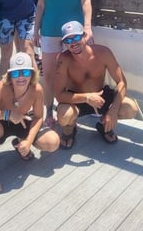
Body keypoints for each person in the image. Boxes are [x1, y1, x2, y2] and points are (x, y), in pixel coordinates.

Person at [0, 52, 60, 194]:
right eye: (16, 74)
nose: (21, 77)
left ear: (32, 74)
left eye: (26, 72)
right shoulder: (2, 86)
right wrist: (7, 114)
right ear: (9, 75)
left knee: (52, 142)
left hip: (24, 119)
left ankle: (20, 142)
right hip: (2, 122)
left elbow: (39, 117)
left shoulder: (37, 89)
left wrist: (28, 141)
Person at [33, 0, 93, 128]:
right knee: (49, 75)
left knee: (75, 72)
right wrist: (36, 30)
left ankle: (76, 110)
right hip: (49, 31)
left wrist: (88, 27)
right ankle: (49, 110)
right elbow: (41, 5)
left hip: (73, 33)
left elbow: (86, 1)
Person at [54, 21, 138, 149]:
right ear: (64, 44)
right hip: (77, 98)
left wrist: (113, 110)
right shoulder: (63, 60)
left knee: (131, 109)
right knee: (64, 116)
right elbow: (59, 95)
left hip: (101, 95)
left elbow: (122, 82)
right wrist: (87, 97)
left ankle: (104, 125)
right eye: (68, 41)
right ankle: (69, 131)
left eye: (76, 37)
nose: (73, 43)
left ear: (84, 36)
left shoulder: (103, 53)